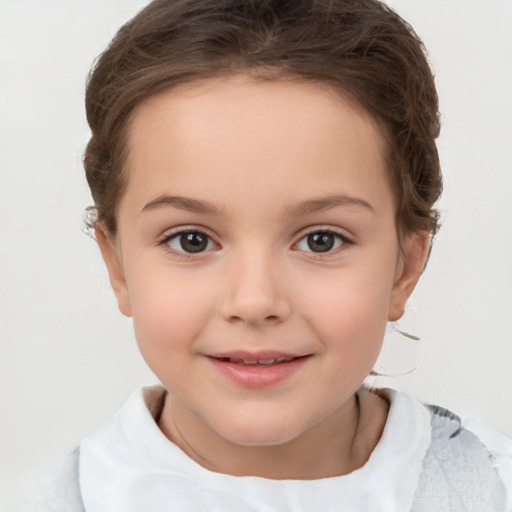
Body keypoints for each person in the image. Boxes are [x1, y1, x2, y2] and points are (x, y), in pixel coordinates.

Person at [38, 0, 512, 510]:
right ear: (118, 266)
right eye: (191, 240)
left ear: (406, 267)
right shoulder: (52, 497)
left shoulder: (493, 484)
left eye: (321, 240)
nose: (255, 300)